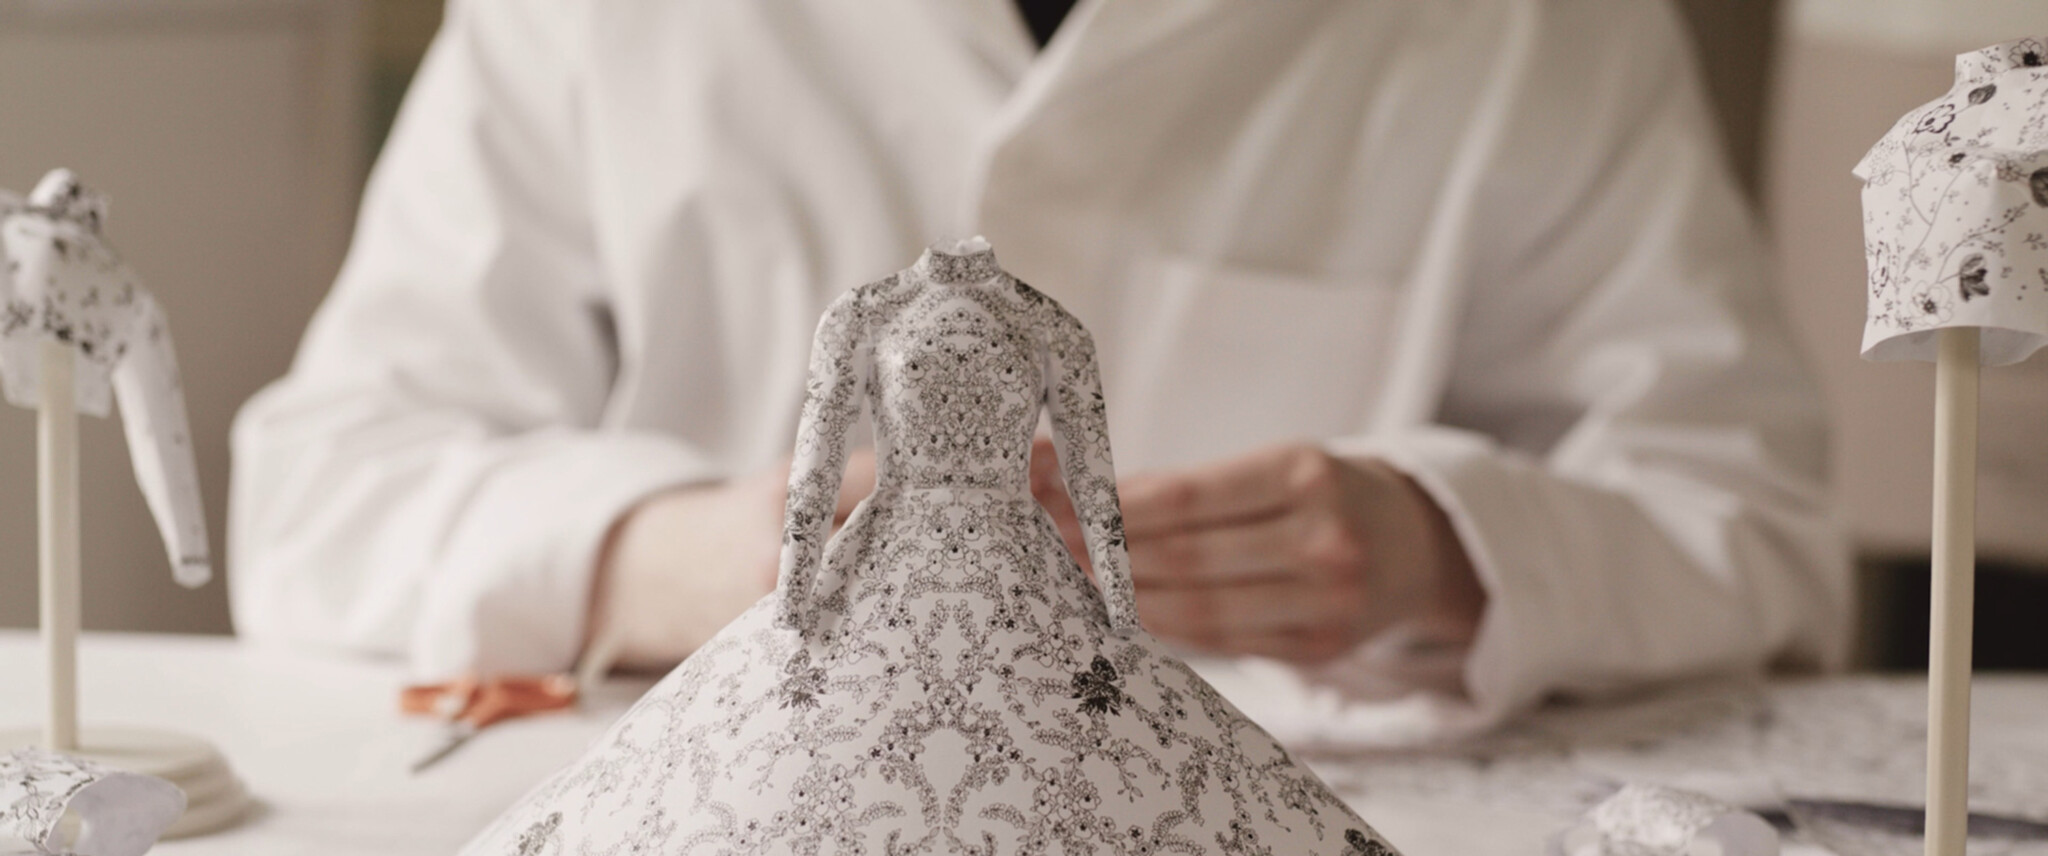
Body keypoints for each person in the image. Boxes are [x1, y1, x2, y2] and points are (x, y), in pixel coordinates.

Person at [230, 0, 1851, 732]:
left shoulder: (1543, 25)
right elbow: (322, 498)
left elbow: (1758, 531)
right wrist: (700, 557)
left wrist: (1444, 550)